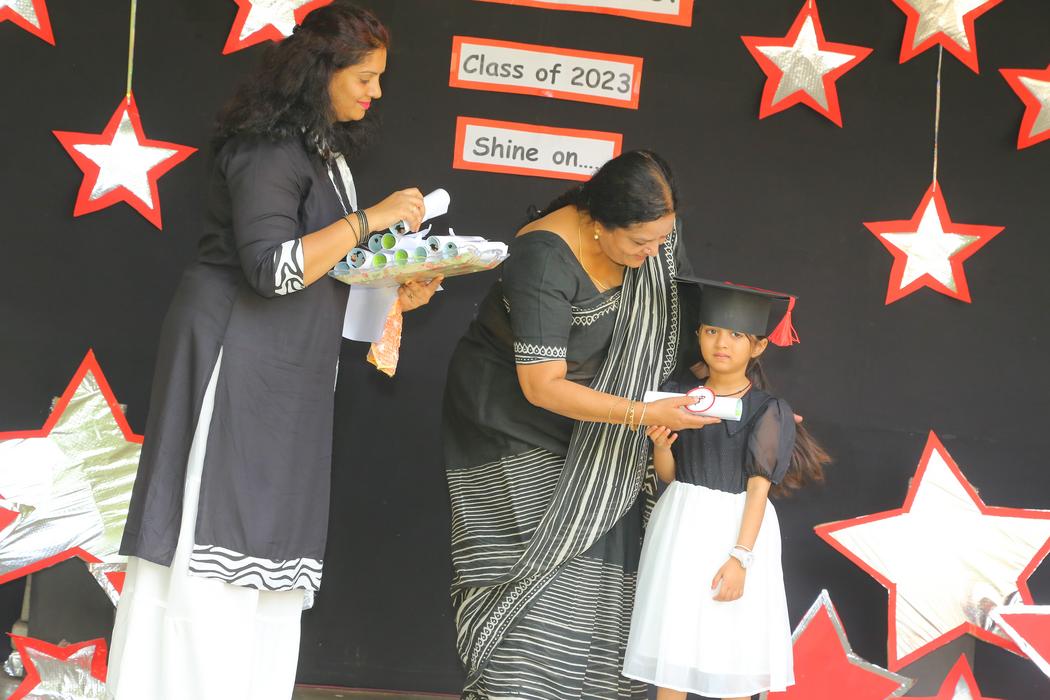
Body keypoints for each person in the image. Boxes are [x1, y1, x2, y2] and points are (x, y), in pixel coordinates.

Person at [107, 4, 441, 698]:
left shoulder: (326, 154)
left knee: (269, 558)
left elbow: (324, 273)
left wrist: (396, 295)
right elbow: (271, 269)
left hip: (290, 370)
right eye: (366, 77)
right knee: (214, 543)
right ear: (320, 71)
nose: (376, 92)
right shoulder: (267, 148)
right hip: (235, 359)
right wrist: (371, 219)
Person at [442, 151, 720, 699]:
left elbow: (678, 330)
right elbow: (541, 386)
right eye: (640, 242)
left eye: (662, 239)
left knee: (600, 568)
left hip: (601, 425)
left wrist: (739, 398)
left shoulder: (653, 238)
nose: (654, 253)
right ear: (599, 223)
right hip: (510, 421)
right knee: (537, 570)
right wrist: (645, 414)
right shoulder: (544, 257)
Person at [622, 277, 830, 699]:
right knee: (674, 644)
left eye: (737, 335)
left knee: (733, 645)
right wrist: (660, 445)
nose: (722, 343)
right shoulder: (678, 396)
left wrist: (740, 556)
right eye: (713, 331)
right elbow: (670, 475)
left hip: (736, 528)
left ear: (758, 346)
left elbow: (758, 489)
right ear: (699, 334)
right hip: (679, 522)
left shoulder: (768, 410)